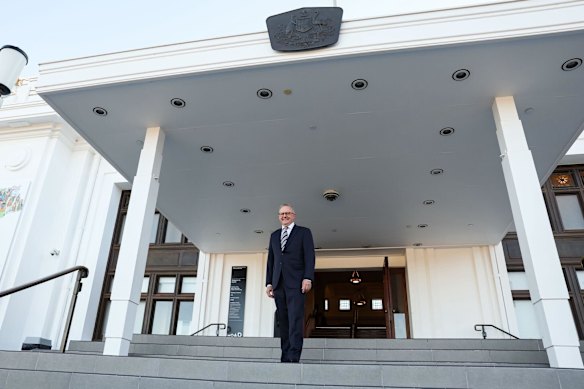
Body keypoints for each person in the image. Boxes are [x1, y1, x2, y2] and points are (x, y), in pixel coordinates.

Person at [265, 203, 315, 363]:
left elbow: (309, 256)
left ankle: (294, 356)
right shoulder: (274, 235)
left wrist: (308, 277)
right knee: (283, 322)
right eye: (281, 214)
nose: (284, 216)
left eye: (287, 213)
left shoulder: (304, 232)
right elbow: (271, 261)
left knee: (295, 319)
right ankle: (285, 356)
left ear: (293, 215)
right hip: (278, 284)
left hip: (297, 283)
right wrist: (269, 283)